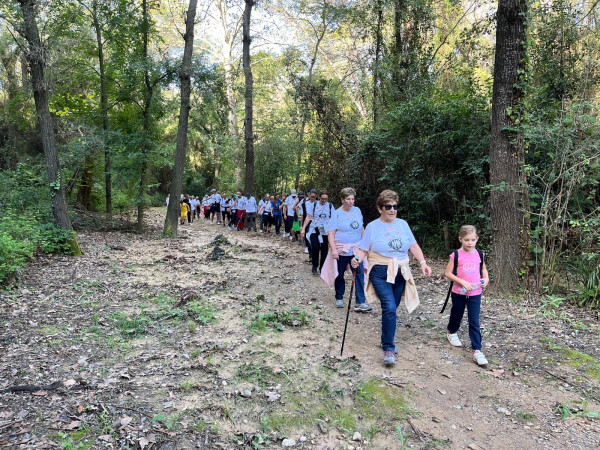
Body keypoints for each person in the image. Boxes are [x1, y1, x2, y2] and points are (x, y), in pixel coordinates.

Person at [351, 189, 432, 367]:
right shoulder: (372, 227)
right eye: (388, 206)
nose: (392, 210)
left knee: (392, 308)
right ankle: (389, 348)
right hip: (379, 271)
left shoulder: (403, 224)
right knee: (389, 307)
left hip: (400, 271)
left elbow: (413, 245)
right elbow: (364, 249)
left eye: (395, 206)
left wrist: (423, 262)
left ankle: (385, 338)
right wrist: (356, 260)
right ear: (380, 208)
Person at [444, 225, 489, 366]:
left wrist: (486, 280)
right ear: (460, 239)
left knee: (474, 320)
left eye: (473, 240)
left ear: (477, 239)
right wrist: (462, 281)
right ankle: (451, 332)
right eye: (467, 240)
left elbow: (483, 270)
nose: (470, 243)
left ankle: (477, 350)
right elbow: (448, 273)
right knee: (457, 314)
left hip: (475, 293)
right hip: (459, 293)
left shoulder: (480, 254)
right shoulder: (456, 255)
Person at [324, 188, 371, 311]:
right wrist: (333, 250)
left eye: (352, 199)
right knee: (340, 274)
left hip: (356, 248)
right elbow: (331, 234)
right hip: (341, 249)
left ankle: (360, 302)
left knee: (359, 273)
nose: (351, 202)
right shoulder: (337, 213)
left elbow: (361, 228)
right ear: (342, 199)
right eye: (348, 199)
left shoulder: (357, 211)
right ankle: (339, 297)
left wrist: (366, 245)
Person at [301, 190, 333, 275]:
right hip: (314, 229)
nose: (324, 201)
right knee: (315, 247)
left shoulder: (330, 206)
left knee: (324, 250)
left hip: (325, 231)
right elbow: (308, 217)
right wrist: (303, 228)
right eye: (322, 199)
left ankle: (322, 268)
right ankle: (315, 265)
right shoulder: (314, 205)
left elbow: (334, 219)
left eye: (326, 199)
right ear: (319, 197)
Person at [301, 189, 317, 262]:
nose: (312, 198)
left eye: (314, 197)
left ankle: (315, 254)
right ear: (309, 195)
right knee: (308, 239)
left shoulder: (318, 203)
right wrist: (302, 226)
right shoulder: (305, 203)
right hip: (307, 222)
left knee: (315, 240)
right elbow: (303, 215)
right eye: (311, 196)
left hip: (316, 223)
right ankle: (311, 255)